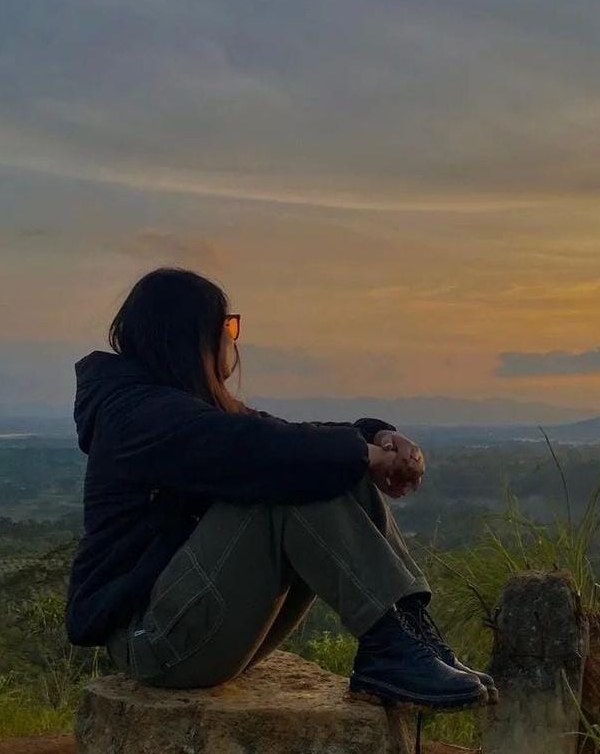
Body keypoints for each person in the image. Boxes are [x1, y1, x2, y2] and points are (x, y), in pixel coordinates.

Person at [64, 266, 496, 710]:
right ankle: (390, 647)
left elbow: (287, 435)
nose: (233, 338)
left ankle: (406, 634)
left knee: (322, 464)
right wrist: (363, 453)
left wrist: (376, 437)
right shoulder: (136, 416)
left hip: (192, 630)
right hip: (154, 643)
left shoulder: (175, 408)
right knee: (289, 477)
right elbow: (267, 448)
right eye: (228, 325)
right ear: (193, 334)